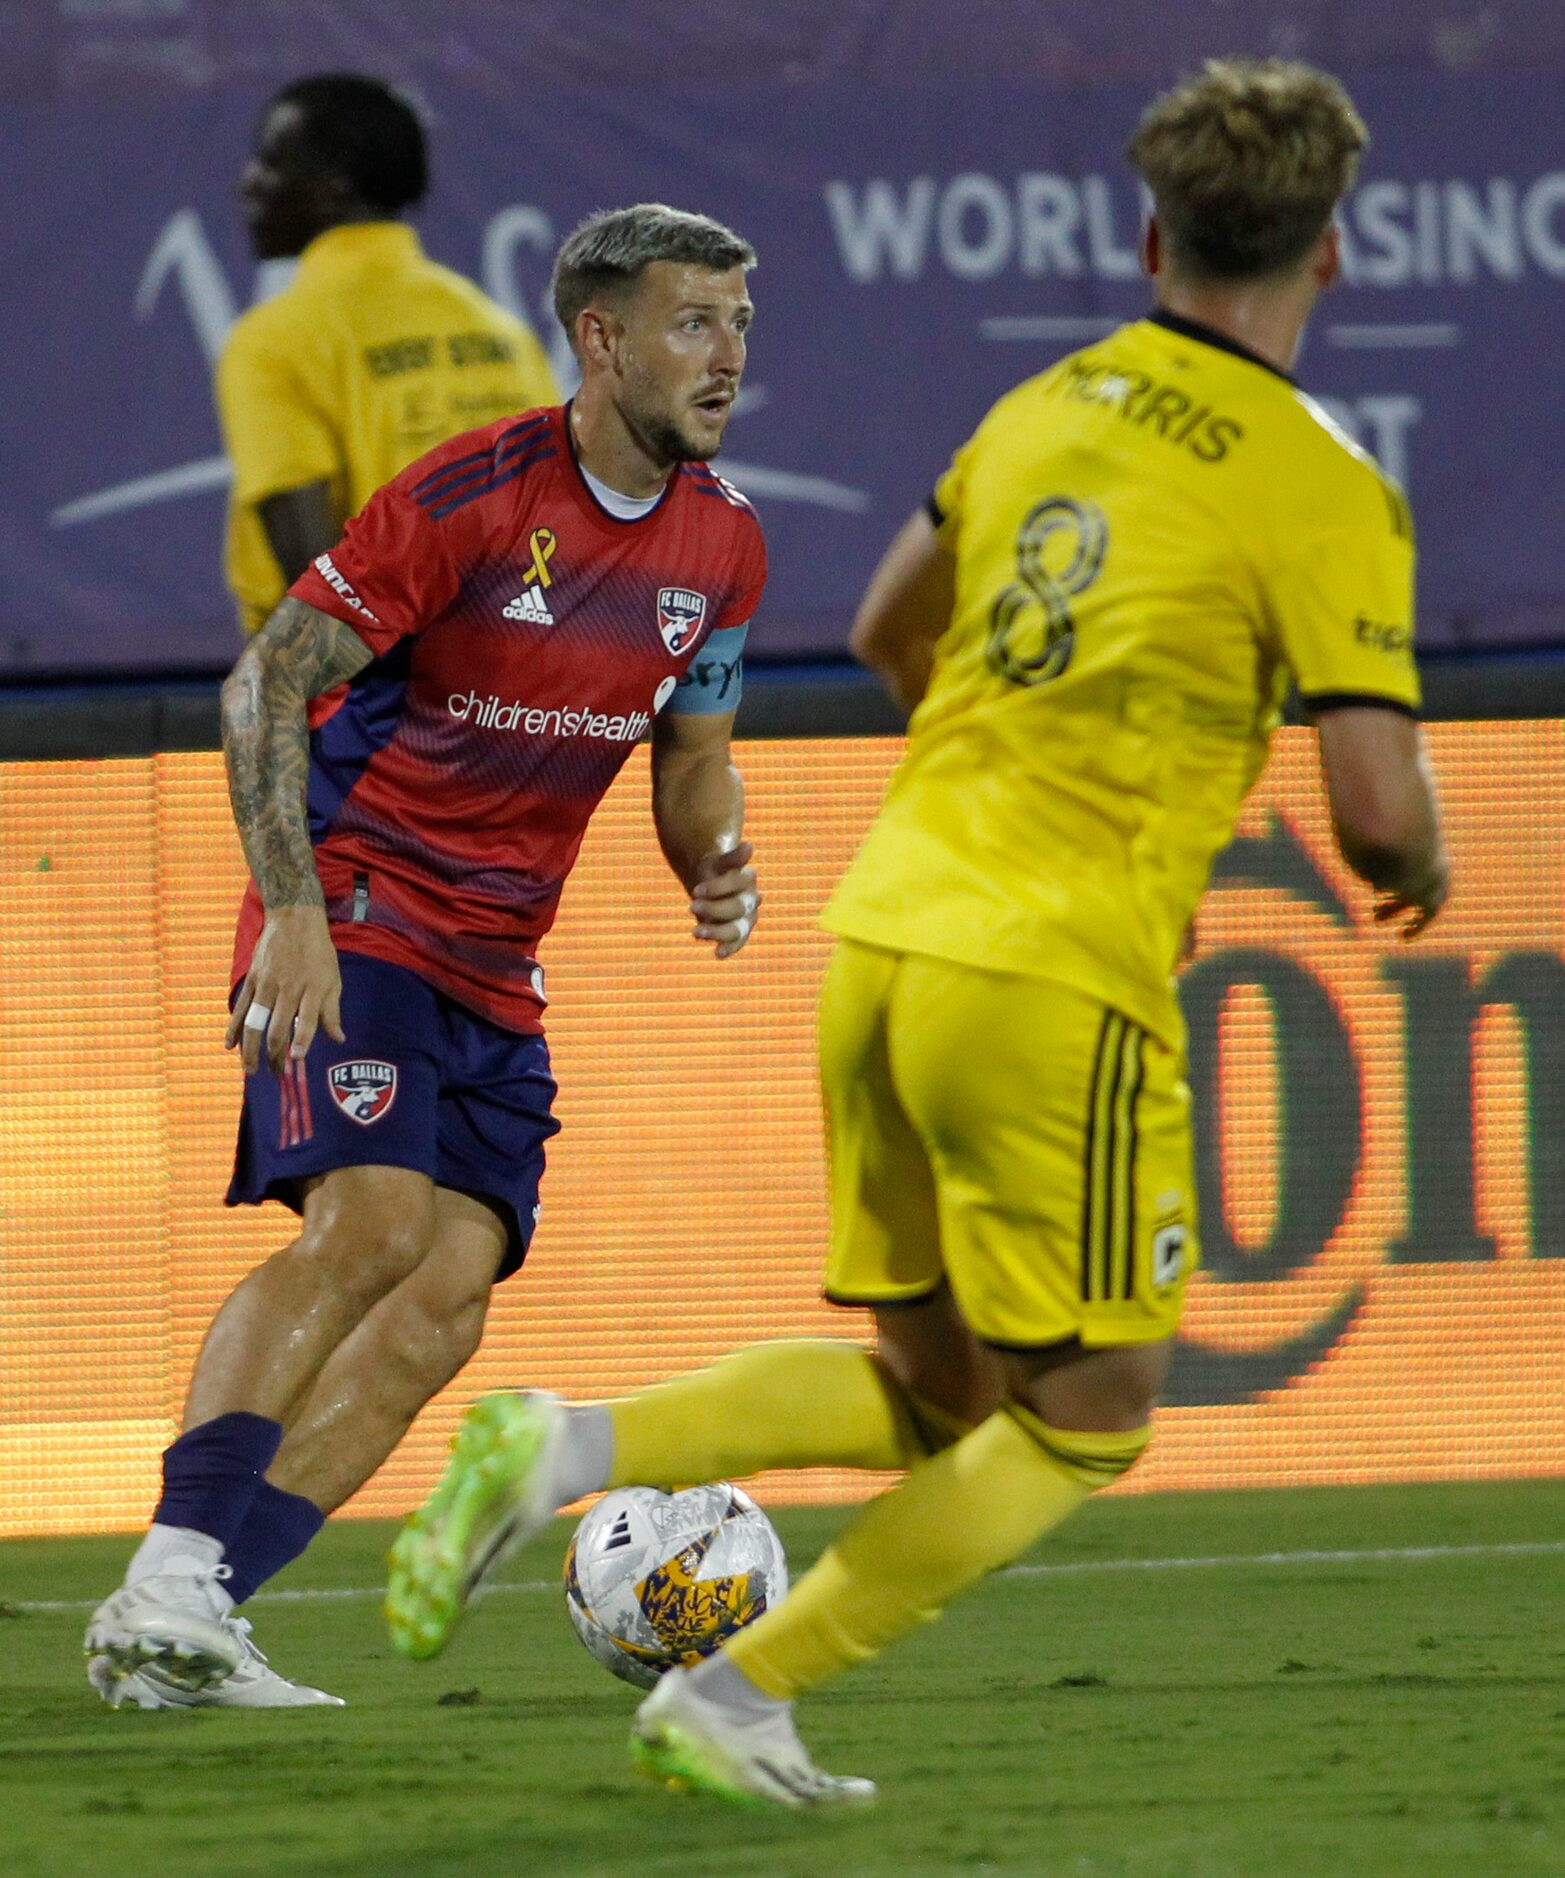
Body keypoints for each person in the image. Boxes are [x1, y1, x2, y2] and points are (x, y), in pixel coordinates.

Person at [385, 57, 1451, 1806]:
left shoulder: (1047, 404)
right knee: (1090, 1410)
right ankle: (737, 1693)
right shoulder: (1324, 476)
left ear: (1145, 230)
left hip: (885, 926)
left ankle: (566, 1439)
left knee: (939, 1379)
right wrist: (1417, 869)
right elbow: (1379, 810)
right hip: (1055, 965)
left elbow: (895, 629)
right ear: (1333, 252)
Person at [84, 204, 766, 1709]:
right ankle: (169, 1570)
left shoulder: (724, 545)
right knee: (374, 1226)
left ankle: (188, 1623)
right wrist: (300, 913)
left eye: (738, 321)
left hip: (495, 959)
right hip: (358, 897)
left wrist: (716, 858)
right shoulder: (474, 495)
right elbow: (266, 684)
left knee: (446, 1297)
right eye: (692, 322)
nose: (727, 357)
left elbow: (690, 758)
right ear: (600, 339)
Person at [217, 71, 560, 640]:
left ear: (333, 185)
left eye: (272, 161)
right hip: (517, 693)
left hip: (372, 704)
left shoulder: (272, 342)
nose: (250, 182)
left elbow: (317, 586)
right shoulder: (502, 333)